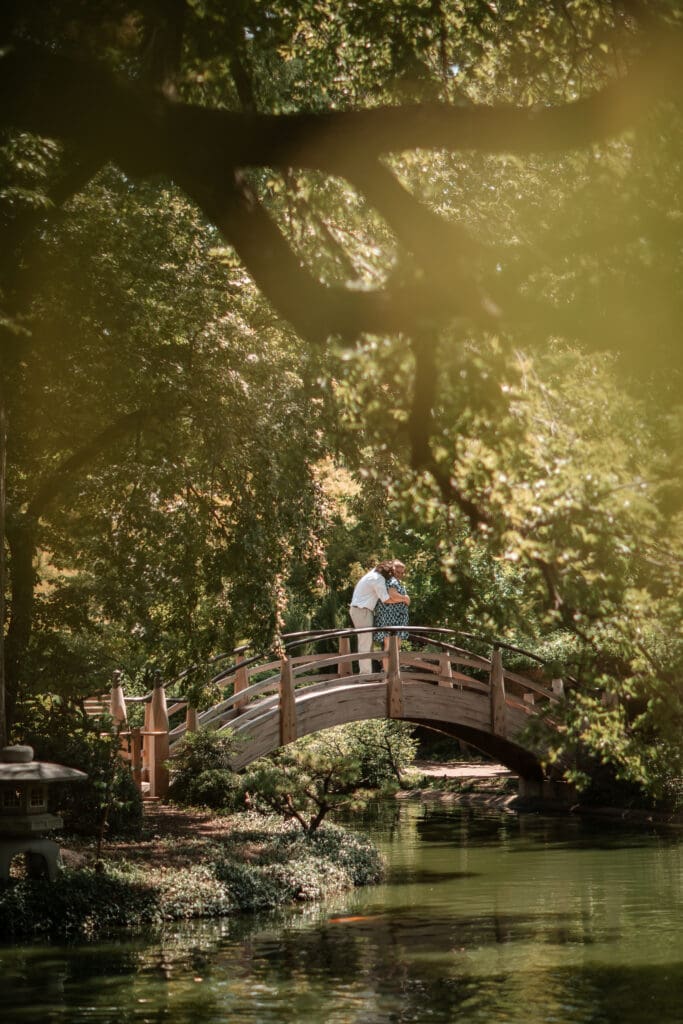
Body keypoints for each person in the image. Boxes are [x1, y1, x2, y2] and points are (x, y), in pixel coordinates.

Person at [349, 561, 410, 674]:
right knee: (365, 644)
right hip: (361, 610)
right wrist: (405, 598)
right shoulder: (378, 579)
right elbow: (386, 599)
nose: (394, 575)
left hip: (363, 610)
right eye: (393, 572)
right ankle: (365, 676)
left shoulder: (373, 574)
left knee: (368, 644)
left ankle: (368, 674)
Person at [373, 560, 410, 650]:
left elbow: (400, 600)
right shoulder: (392, 581)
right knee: (390, 648)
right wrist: (405, 598)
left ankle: (394, 664)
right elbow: (393, 595)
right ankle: (390, 665)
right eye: (397, 572)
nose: (399, 575)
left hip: (397, 619)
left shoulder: (396, 582)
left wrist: (405, 599)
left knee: (396, 648)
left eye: (402, 573)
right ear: (392, 570)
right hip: (391, 618)